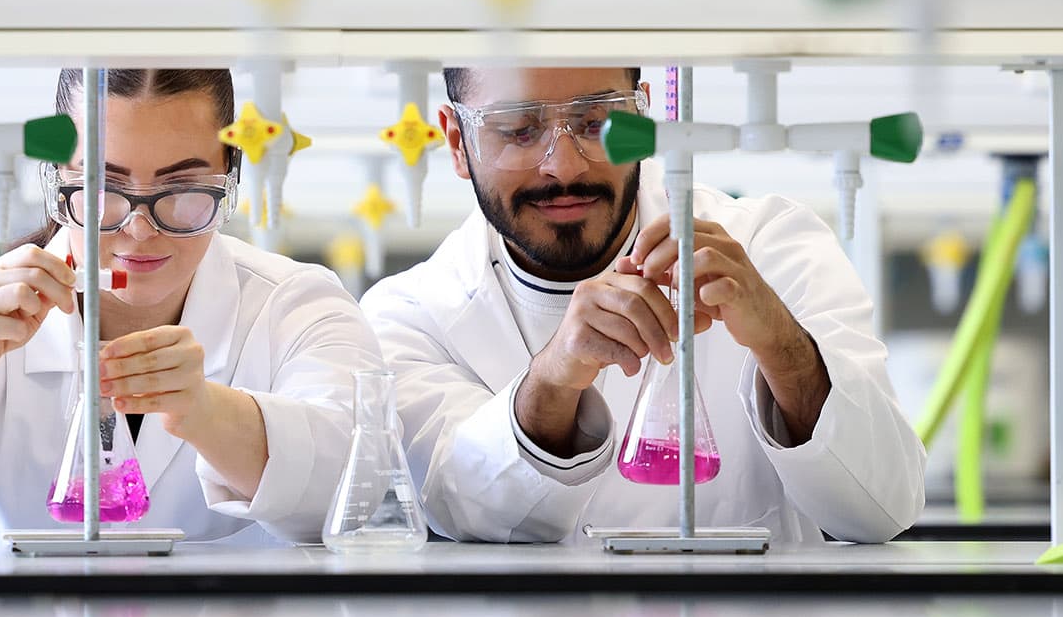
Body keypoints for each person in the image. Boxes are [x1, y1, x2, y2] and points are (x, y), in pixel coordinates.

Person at [0, 67, 381, 547]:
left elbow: (356, 491)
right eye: (103, 190)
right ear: (56, 179)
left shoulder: (297, 307)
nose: (138, 230)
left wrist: (206, 411)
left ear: (229, 179)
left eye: (181, 191)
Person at [362, 67, 925, 544]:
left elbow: (882, 506)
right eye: (518, 130)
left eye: (595, 124)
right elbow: (463, 507)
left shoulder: (771, 246)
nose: (565, 167)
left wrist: (781, 343)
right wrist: (554, 381)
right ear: (457, 143)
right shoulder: (410, 317)